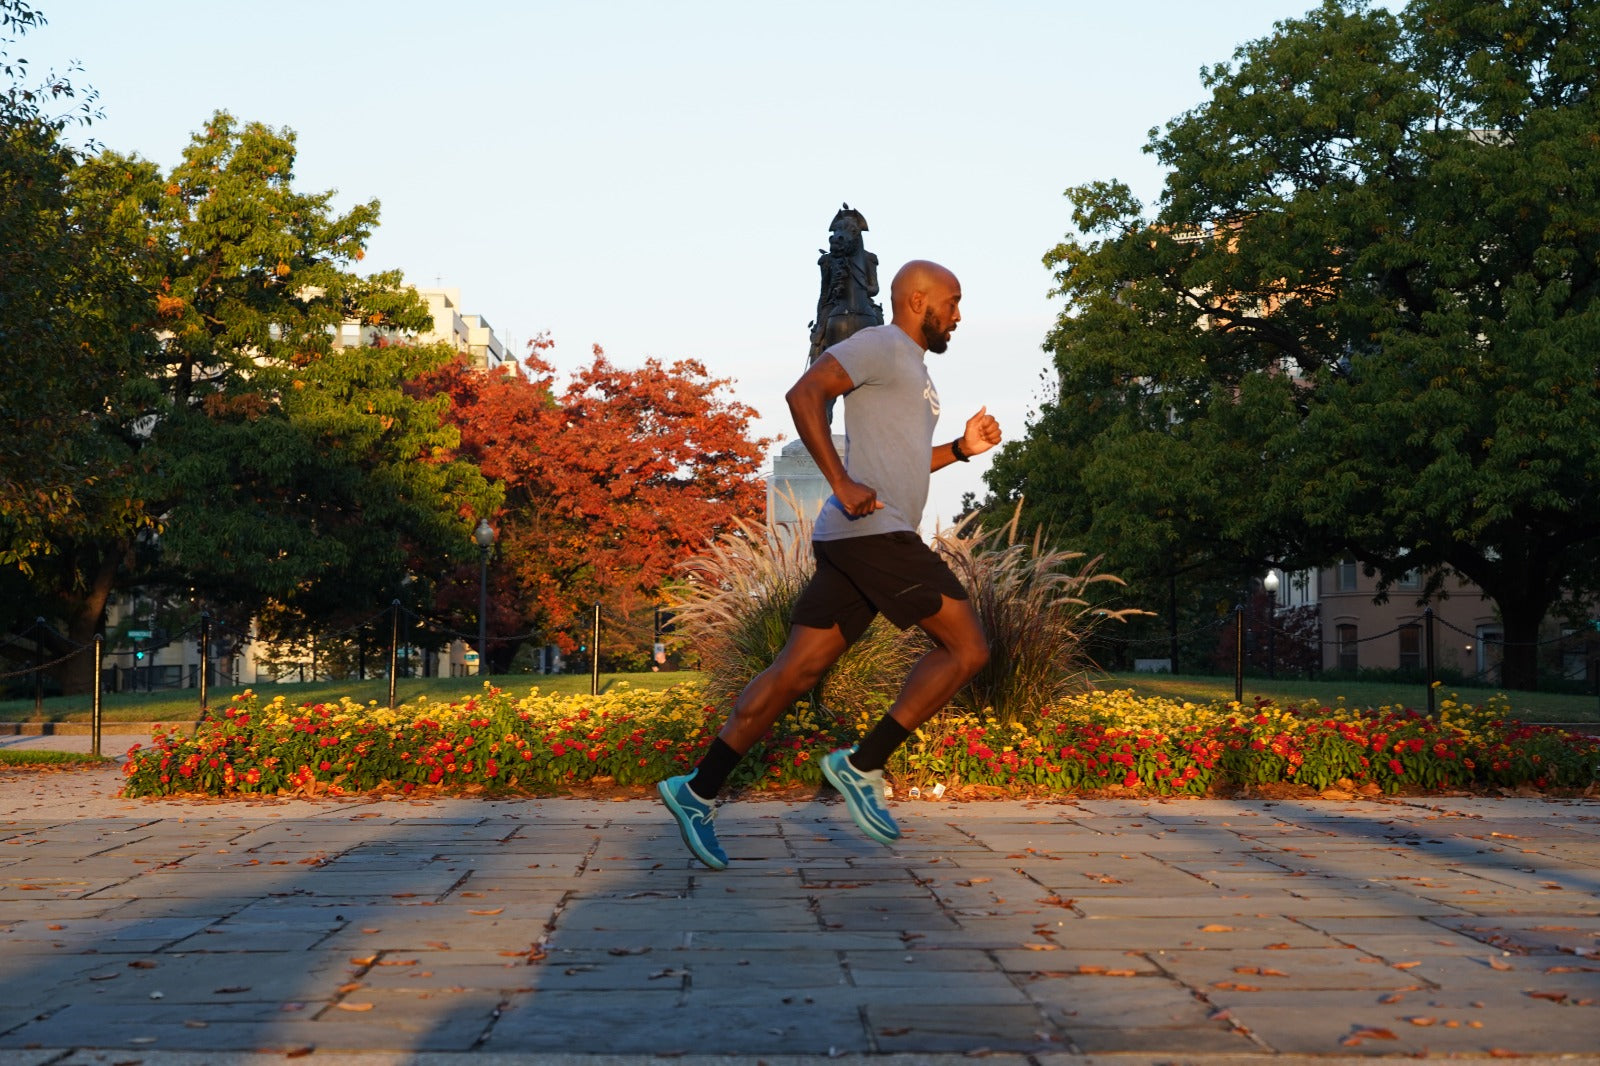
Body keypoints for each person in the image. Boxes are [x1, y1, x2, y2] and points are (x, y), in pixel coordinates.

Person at [658, 259, 1002, 869]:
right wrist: (838, 480)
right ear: (918, 302)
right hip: (875, 534)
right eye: (952, 301)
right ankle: (862, 764)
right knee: (968, 648)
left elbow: (897, 466)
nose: (958, 315)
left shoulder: (912, 370)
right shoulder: (880, 345)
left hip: (853, 537)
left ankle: (698, 789)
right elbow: (804, 393)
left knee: (795, 673)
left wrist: (959, 450)